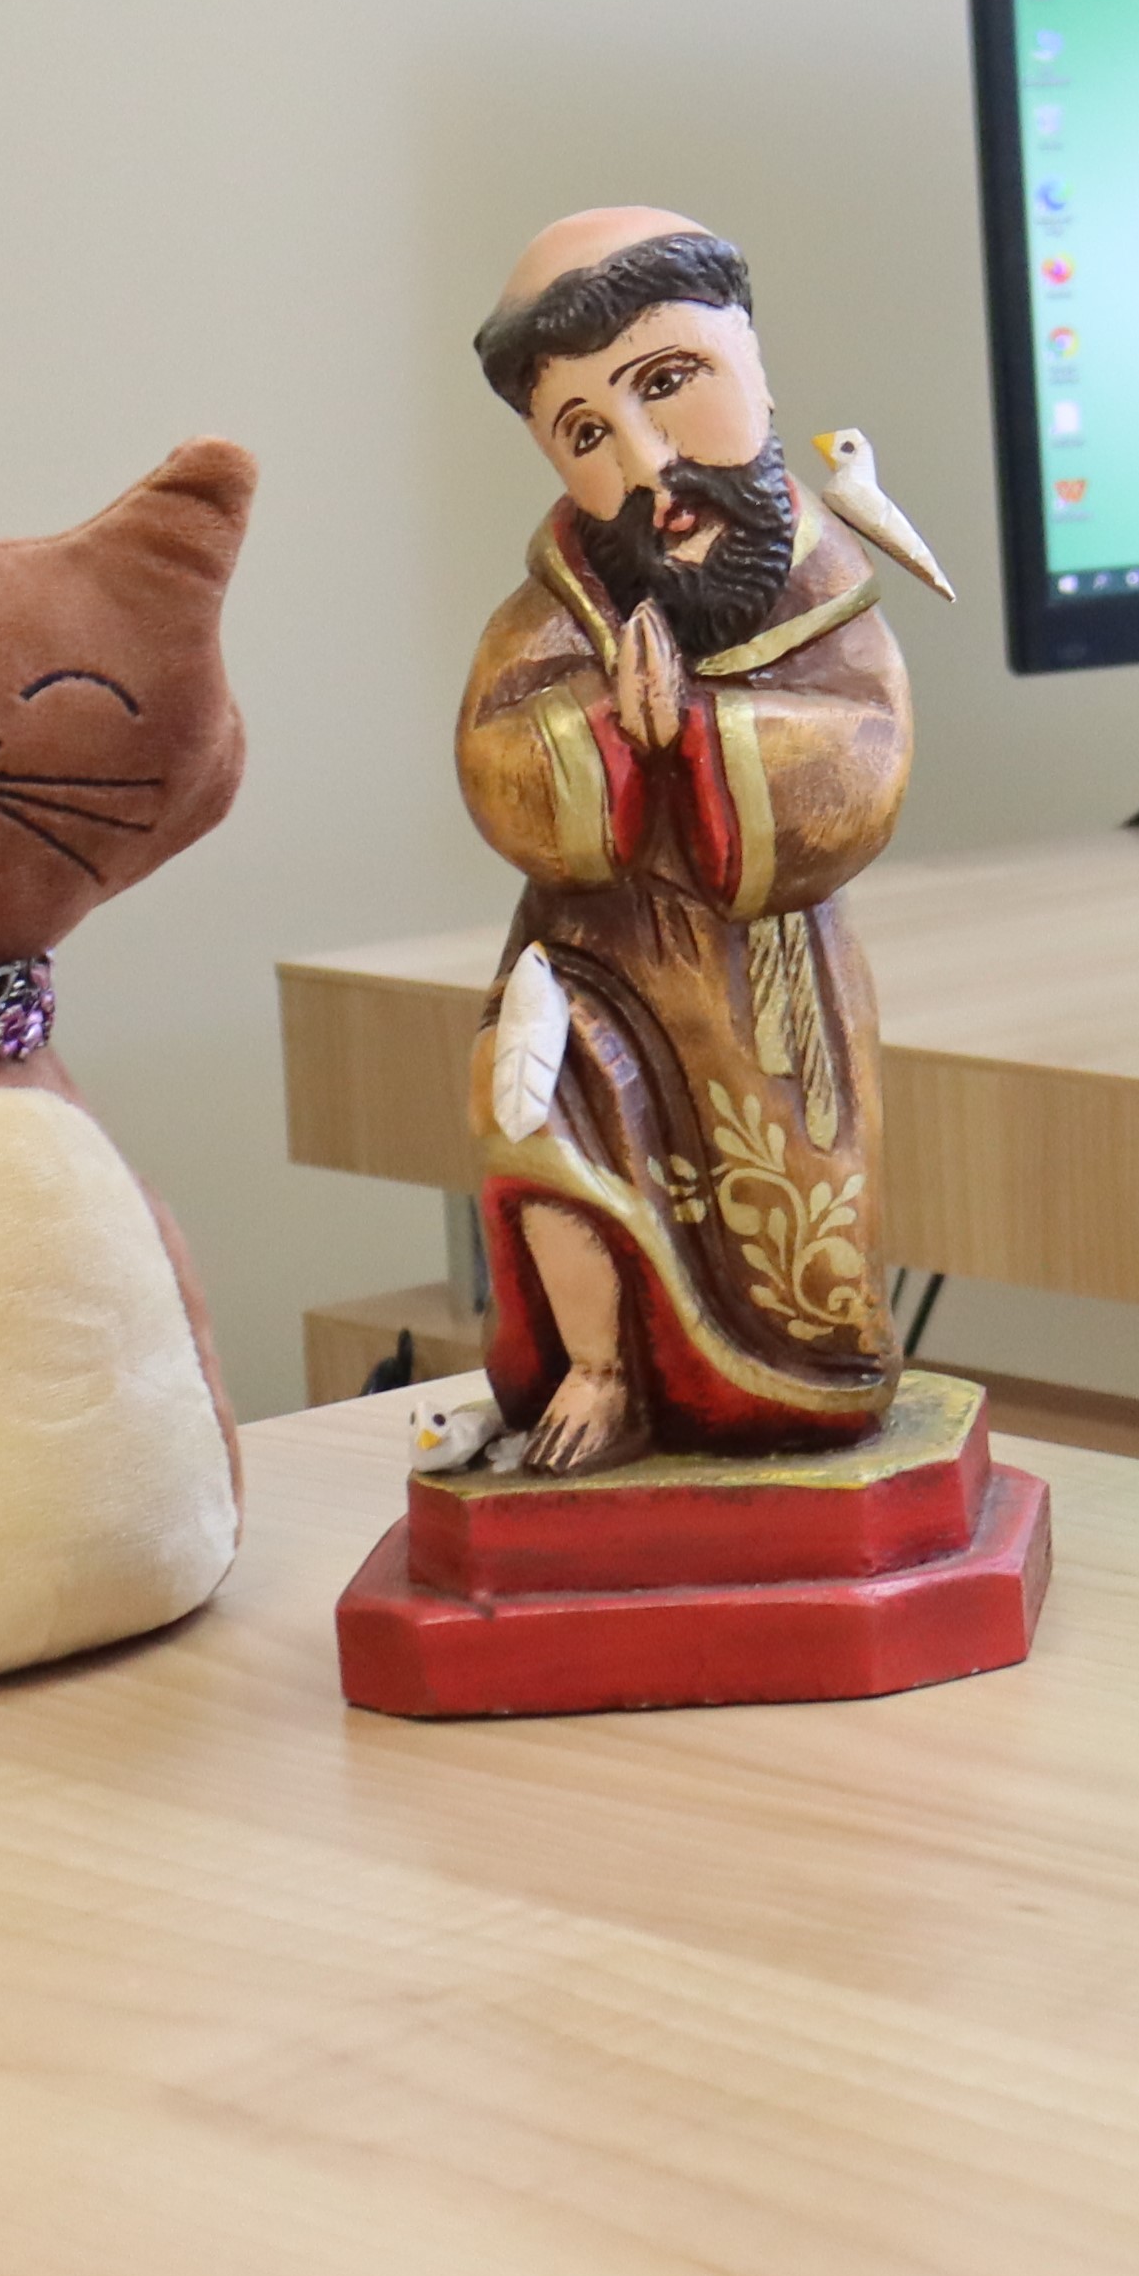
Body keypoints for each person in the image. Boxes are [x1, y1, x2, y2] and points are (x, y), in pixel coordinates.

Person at [456, 209, 911, 1469]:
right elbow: (496, 758)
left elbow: (866, 752)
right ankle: (602, 1369)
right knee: (542, 1117)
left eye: (669, 384)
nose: (650, 462)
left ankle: (792, 1387)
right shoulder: (555, 609)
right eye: (586, 433)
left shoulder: (821, 582)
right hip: (590, 956)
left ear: (751, 361)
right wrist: (608, 728)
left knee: (783, 1223)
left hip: (762, 982)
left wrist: (697, 737)